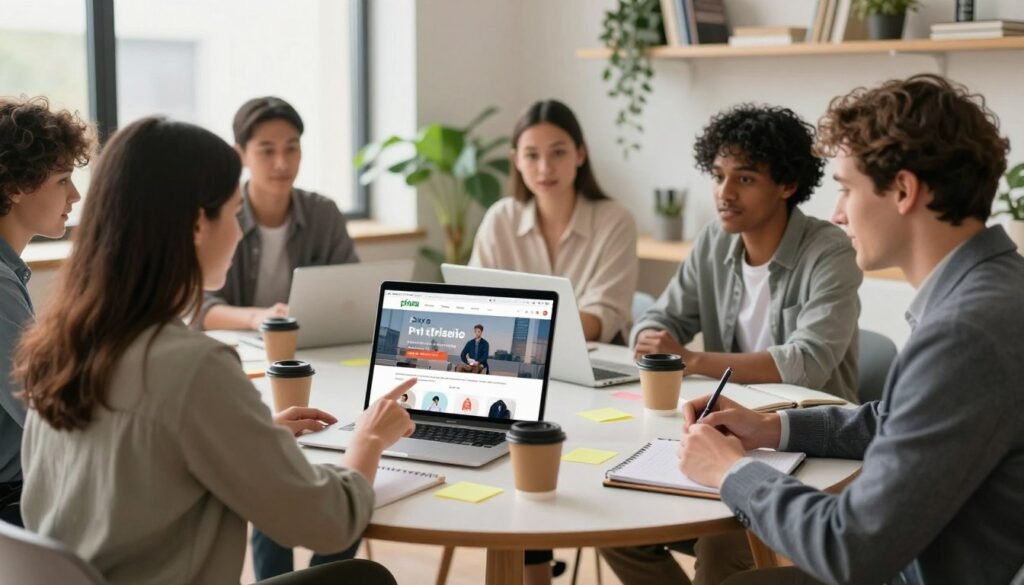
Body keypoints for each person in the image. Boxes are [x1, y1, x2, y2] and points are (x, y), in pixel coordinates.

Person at [15, 117, 414, 585]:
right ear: (197, 224)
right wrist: (367, 440)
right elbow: (328, 524)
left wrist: (251, 436)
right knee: (363, 578)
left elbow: (142, 459)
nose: (241, 232)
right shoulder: (194, 366)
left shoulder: (60, 343)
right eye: (234, 213)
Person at [677, 74, 1024, 585]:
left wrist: (730, 471)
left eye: (846, 189)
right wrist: (772, 428)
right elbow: (898, 420)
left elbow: (851, 548)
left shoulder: (964, 332)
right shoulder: (995, 285)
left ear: (903, 190)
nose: (837, 214)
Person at [601, 104, 862, 585]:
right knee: (609, 517)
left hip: (805, 448)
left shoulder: (830, 251)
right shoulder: (713, 244)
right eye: (718, 176)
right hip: (721, 432)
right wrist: (648, 337)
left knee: (722, 546)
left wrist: (694, 358)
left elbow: (806, 362)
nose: (724, 193)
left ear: (786, 184)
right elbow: (662, 314)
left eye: (744, 179)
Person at [470, 99, 637, 344]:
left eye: (558, 152)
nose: (545, 168)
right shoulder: (500, 219)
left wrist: (511, 327)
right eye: (532, 155)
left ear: (580, 154)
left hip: (590, 360)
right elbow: (474, 304)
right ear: (516, 160)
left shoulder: (615, 221)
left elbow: (600, 319)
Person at [0, 97, 91, 527]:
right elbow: (49, 413)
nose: (74, 195)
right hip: (14, 507)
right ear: (14, 186)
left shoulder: (9, 273)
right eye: (62, 180)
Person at [200, 96, 359, 331]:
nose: (282, 163)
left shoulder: (323, 213)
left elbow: (352, 288)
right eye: (267, 151)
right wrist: (257, 318)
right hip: (240, 345)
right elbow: (198, 305)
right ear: (241, 155)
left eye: (291, 148)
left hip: (310, 344)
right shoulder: (222, 214)